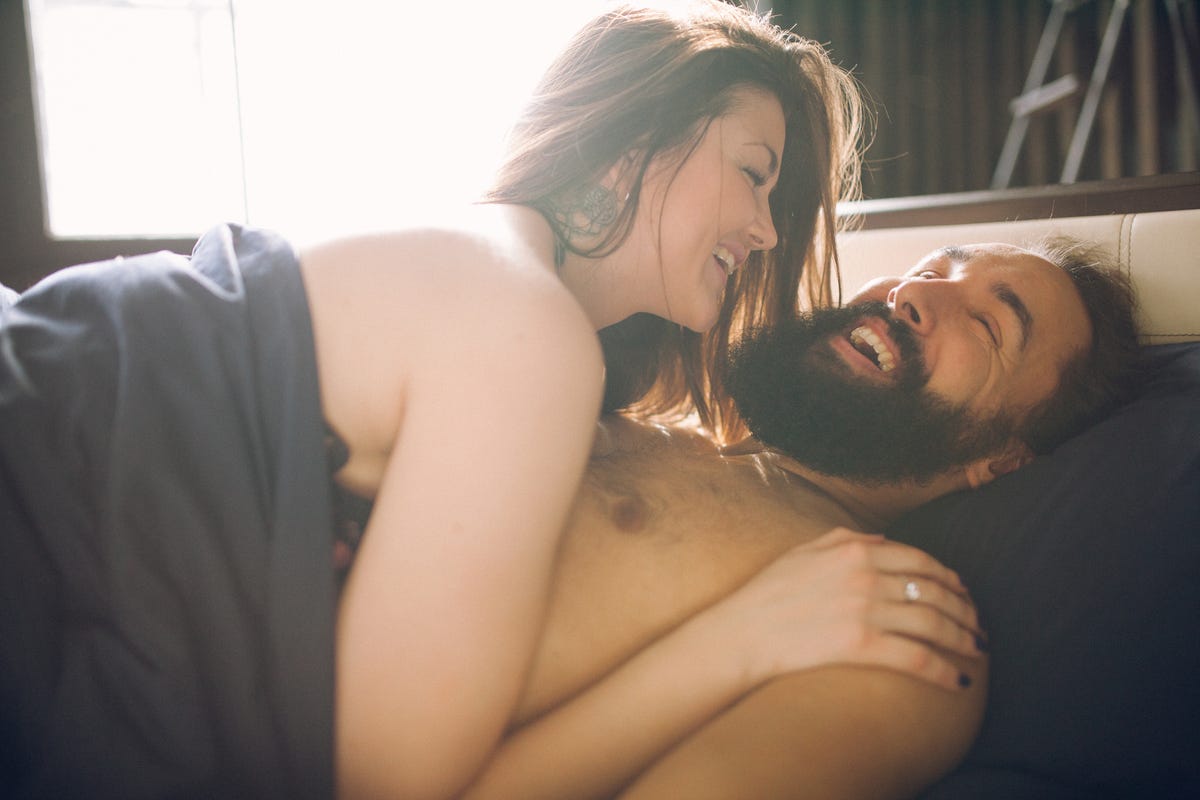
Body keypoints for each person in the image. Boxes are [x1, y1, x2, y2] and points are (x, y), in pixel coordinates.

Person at [0, 3, 895, 800]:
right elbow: (391, 782)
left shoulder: (495, 280)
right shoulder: (522, 326)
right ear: (639, 142)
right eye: (754, 172)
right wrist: (743, 642)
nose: (768, 230)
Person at [456, 238, 1140, 799]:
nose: (912, 293)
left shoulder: (894, 623)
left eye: (990, 324)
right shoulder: (636, 406)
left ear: (1001, 460)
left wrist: (738, 641)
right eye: (929, 269)